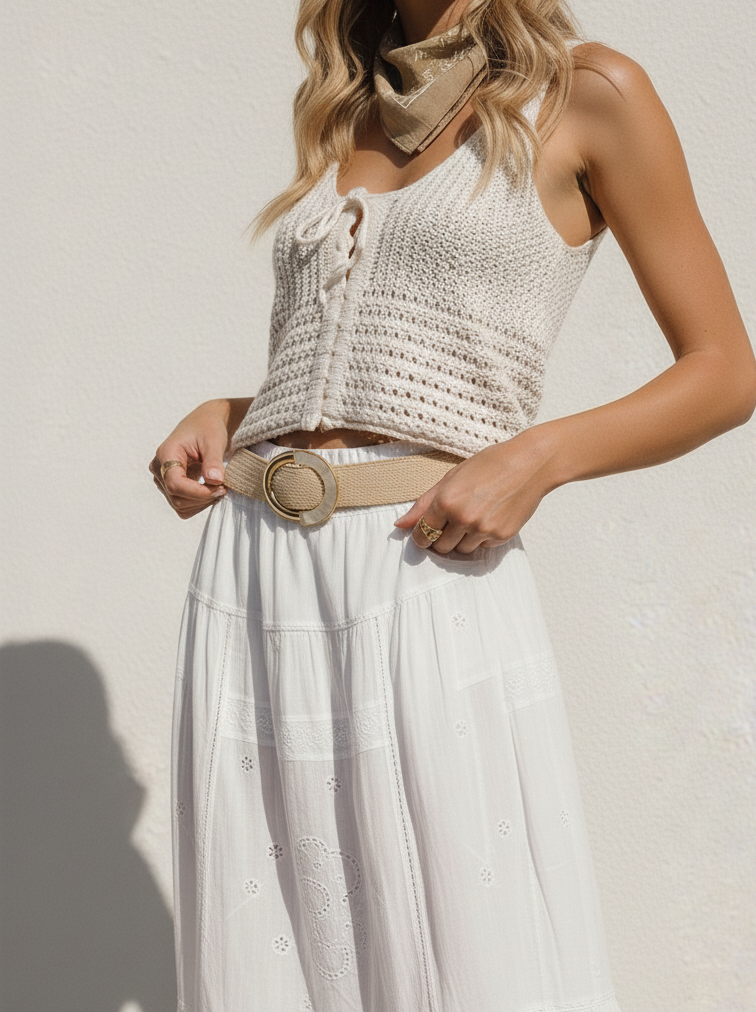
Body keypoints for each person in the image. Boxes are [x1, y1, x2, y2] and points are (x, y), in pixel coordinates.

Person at [149, 2, 755, 1010]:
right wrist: (238, 414)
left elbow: (725, 371)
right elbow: (370, 370)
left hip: (419, 560)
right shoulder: (351, 110)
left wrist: (539, 457)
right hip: (253, 570)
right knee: (277, 946)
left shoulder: (590, 93)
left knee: (465, 943)